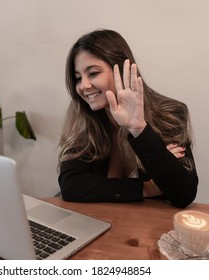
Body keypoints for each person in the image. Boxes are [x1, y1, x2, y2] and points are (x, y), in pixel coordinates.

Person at [57, 29, 198, 208]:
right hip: (101, 223)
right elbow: (71, 186)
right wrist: (146, 188)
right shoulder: (82, 117)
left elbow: (183, 194)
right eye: (78, 78)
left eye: (93, 73)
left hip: (151, 227)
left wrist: (140, 129)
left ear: (122, 68)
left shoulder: (170, 114)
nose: (83, 86)